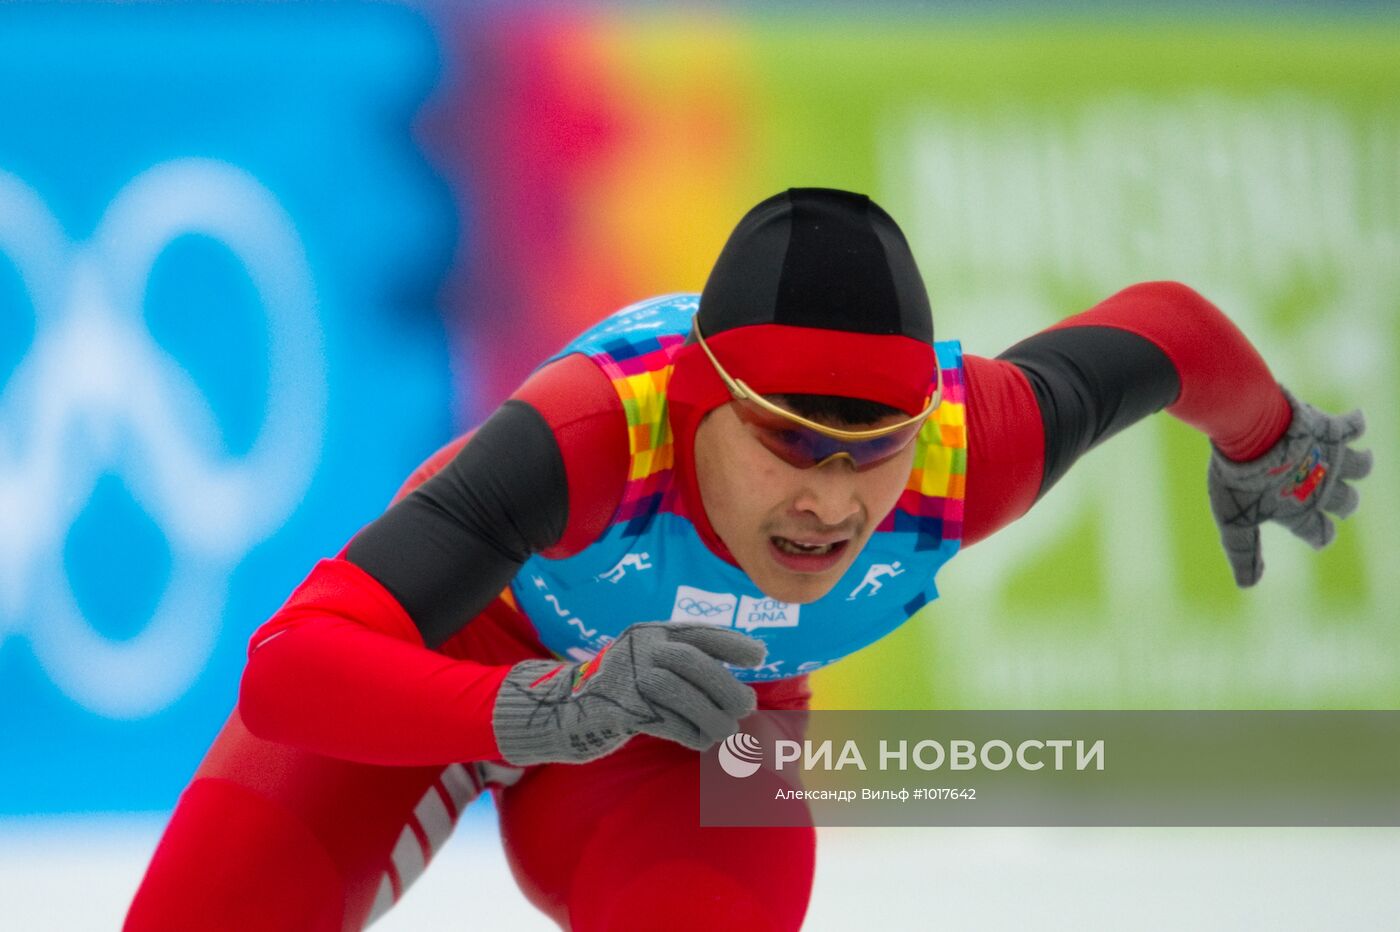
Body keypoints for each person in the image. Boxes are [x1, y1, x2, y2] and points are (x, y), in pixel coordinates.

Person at [125, 188, 1371, 931]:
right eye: (789, 442)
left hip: (693, 724)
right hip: (464, 651)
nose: (831, 501)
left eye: (868, 449)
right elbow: (289, 669)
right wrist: (541, 706)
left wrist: (1266, 436)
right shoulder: (589, 430)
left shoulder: (969, 446)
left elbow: (1165, 329)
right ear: (701, 402)